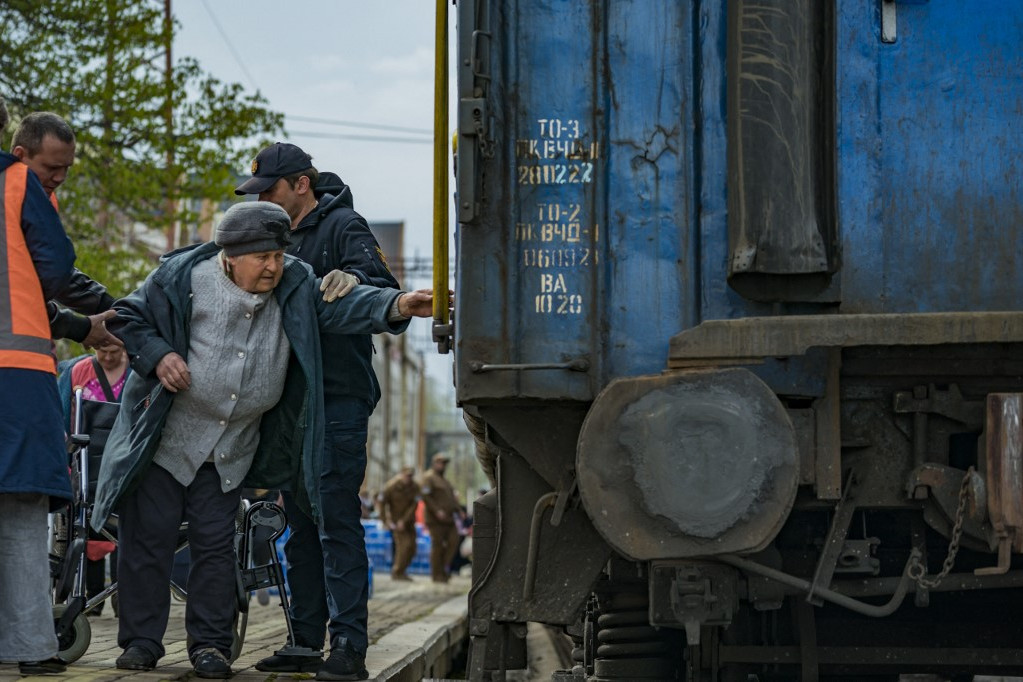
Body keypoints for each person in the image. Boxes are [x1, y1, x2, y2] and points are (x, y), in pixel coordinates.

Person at [91, 202, 433, 679]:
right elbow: (127, 316)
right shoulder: (182, 275)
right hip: (168, 438)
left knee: (214, 546)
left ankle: (210, 647)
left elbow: (342, 307)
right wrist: (159, 354)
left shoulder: (294, 281)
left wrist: (399, 305)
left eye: (278, 254)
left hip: (231, 444)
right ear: (229, 256)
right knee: (148, 541)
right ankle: (142, 643)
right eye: (261, 257)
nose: (273, 265)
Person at [236, 142, 400, 679]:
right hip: (290, 403)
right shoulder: (277, 236)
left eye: (272, 191)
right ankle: (305, 639)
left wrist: (359, 279)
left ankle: (348, 646)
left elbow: (389, 298)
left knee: (334, 519)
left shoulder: (344, 225)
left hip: (337, 399)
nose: (266, 201)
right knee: (300, 525)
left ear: (301, 184)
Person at [0, 95, 78, 675]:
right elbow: (55, 264)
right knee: (22, 513)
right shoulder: (16, 183)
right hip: (14, 374)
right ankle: (28, 647)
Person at [10, 112, 119, 349]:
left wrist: (114, 307)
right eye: (51, 167)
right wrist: (75, 326)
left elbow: (55, 276)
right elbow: (19, 291)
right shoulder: (9, 198)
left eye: (67, 168)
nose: (60, 177)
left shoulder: (45, 200)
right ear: (20, 156)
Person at [68, 341, 130, 616]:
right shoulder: (78, 370)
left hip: (124, 460)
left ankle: (122, 593)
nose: (106, 356)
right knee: (90, 525)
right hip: (88, 460)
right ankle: (92, 598)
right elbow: (64, 416)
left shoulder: (137, 372)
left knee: (124, 528)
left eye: (113, 351)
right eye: (101, 350)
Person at [419, 454, 461, 584]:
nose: (442, 465)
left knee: (454, 541)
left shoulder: (444, 480)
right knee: (437, 546)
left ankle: (443, 569)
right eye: (440, 463)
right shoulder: (428, 477)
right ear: (434, 463)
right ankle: (437, 575)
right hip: (435, 519)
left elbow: (451, 499)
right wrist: (437, 510)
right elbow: (426, 496)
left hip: (449, 518)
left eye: (444, 463)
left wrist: (459, 510)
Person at [380, 466, 420, 581]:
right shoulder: (391, 486)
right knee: (404, 547)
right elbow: (382, 503)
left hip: (409, 522)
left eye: (411, 476)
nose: (409, 478)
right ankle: (397, 572)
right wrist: (385, 520)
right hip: (396, 523)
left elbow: (414, 505)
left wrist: (405, 520)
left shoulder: (415, 487)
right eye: (407, 475)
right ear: (402, 474)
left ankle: (402, 571)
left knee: (412, 548)